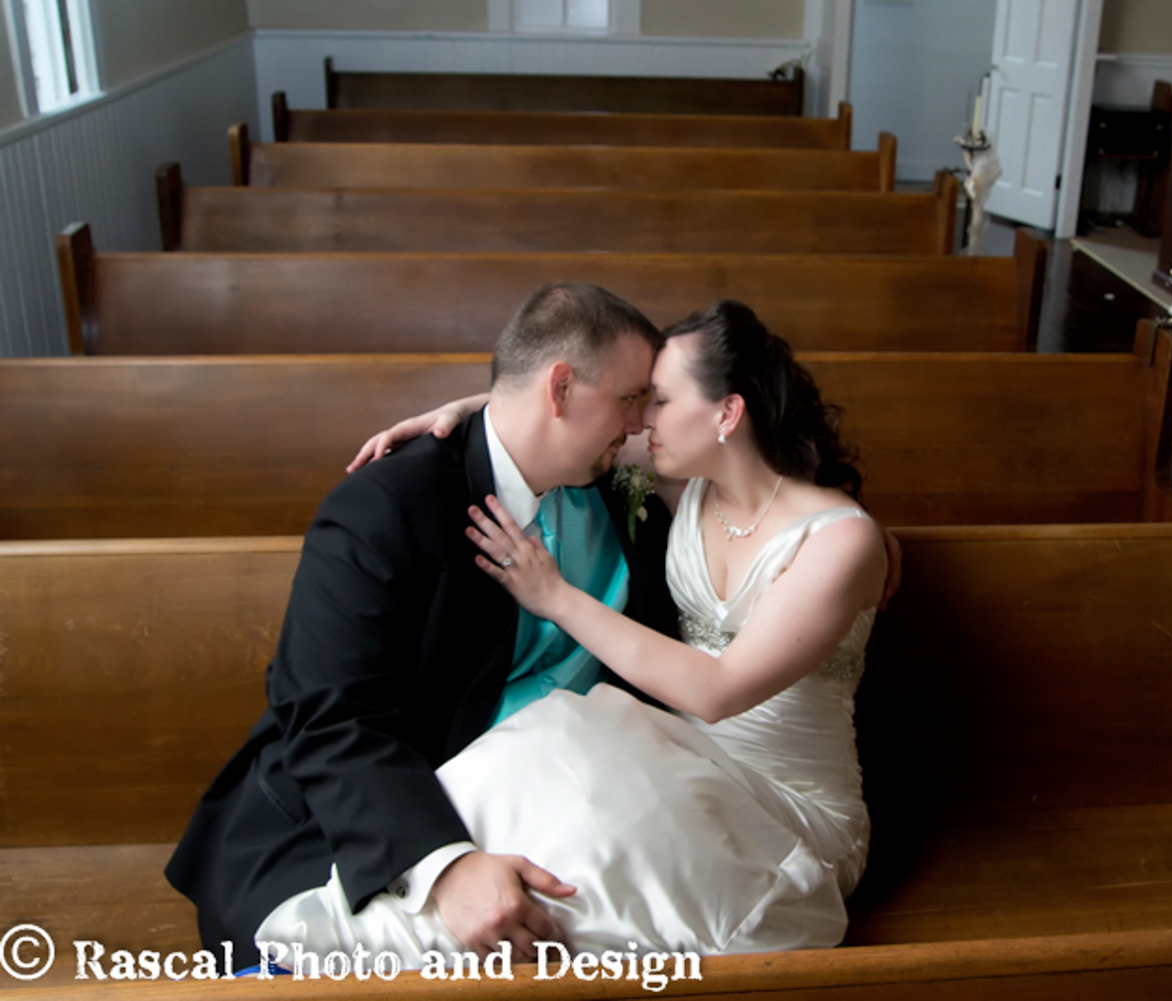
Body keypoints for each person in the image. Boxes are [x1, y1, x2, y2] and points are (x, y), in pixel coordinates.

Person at [262, 299, 888, 962]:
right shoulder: (689, 482)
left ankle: (360, 955)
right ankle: (389, 914)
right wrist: (475, 409)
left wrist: (554, 596)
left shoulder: (838, 542)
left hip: (786, 803)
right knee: (546, 758)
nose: (642, 419)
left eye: (659, 399)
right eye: (639, 399)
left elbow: (718, 690)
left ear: (727, 413)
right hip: (685, 756)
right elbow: (562, 413)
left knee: (581, 794)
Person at [164, 282, 677, 967]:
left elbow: (755, 472)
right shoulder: (385, 505)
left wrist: (852, 534)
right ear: (559, 390)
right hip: (370, 814)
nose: (642, 424)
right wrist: (445, 867)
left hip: (562, 801)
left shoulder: (619, 488)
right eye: (630, 398)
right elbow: (327, 714)